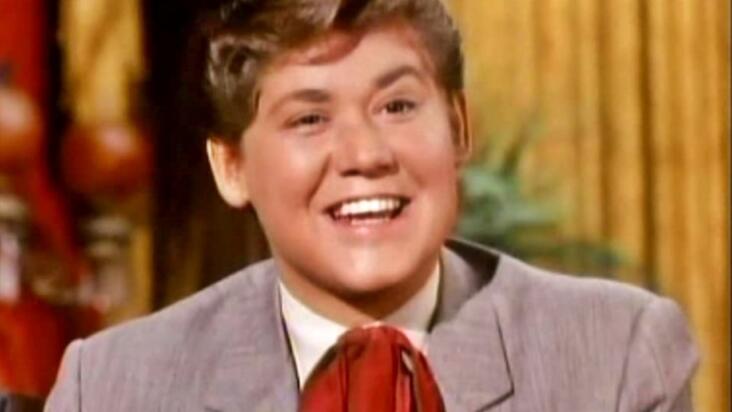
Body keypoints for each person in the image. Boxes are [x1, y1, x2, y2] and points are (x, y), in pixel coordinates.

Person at [45, 0, 699, 411]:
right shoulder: (109, 388)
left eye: (397, 106)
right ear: (231, 167)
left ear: (459, 128)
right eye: (309, 118)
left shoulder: (615, 355)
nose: (365, 154)